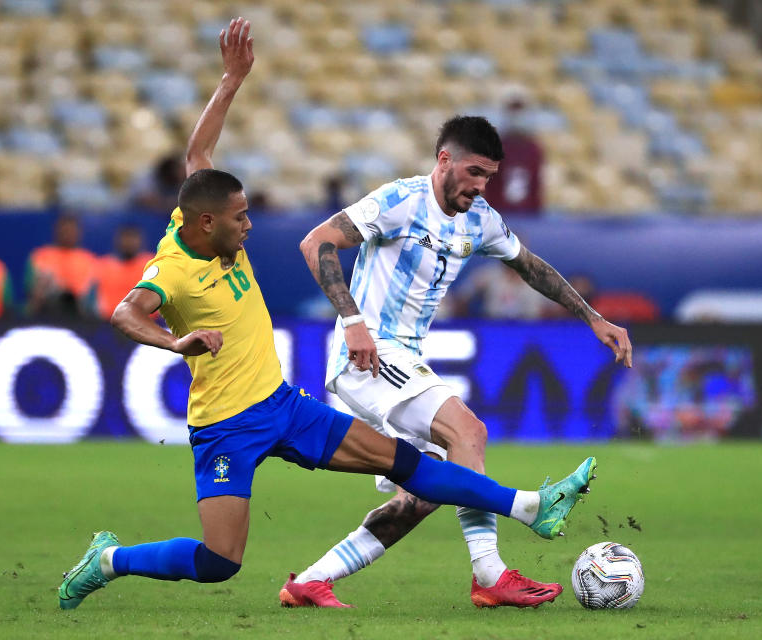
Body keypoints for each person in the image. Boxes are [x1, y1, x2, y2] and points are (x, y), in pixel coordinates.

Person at [57, 18, 596, 612]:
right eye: (240, 218)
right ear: (206, 224)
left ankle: (526, 509)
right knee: (219, 562)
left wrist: (231, 80)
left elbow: (198, 155)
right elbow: (124, 313)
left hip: (283, 406)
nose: (249, 224)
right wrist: (175, 343)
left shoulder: (201, 215)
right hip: (226, 426)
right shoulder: (173, 267)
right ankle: (108, 559)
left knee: (406, 464)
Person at [287, 115, 632, 608]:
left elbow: (530, 266)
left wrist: (593, 318)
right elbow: (316, 241)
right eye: (473, 172)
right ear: (444, 160)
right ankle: (491, 573)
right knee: (468, 433)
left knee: (429, 491)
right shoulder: (400, 200)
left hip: (403, 357)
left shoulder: (480, 219)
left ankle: (312, 581)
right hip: (368, 353)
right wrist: (352, 320)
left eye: (488, 176)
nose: (480, 185)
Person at [482, 94, 544, 215]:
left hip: (527, 213)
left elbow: (536, 183)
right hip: (500, 212)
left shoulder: (533, 148)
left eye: (520, 112)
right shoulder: (495, 146)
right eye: (513, 112)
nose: (517, 118)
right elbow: (488, 184)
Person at [26, 214, 97, 318]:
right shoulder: (39, 257)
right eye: (64, 230)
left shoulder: (90, 261)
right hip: (46, 314)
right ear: (56, 231)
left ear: (79, 233)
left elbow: (94, 298)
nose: (67, 234)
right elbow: (30, 290)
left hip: (80, 316)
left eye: (71, 231)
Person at [95, 225, 155, 319]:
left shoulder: (152, 265)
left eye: (133, 238)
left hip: (146, 323)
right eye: (126, 238)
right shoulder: (103, 266)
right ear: (117, 241)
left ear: (141, 241)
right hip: (109, 323)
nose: (129, 243)